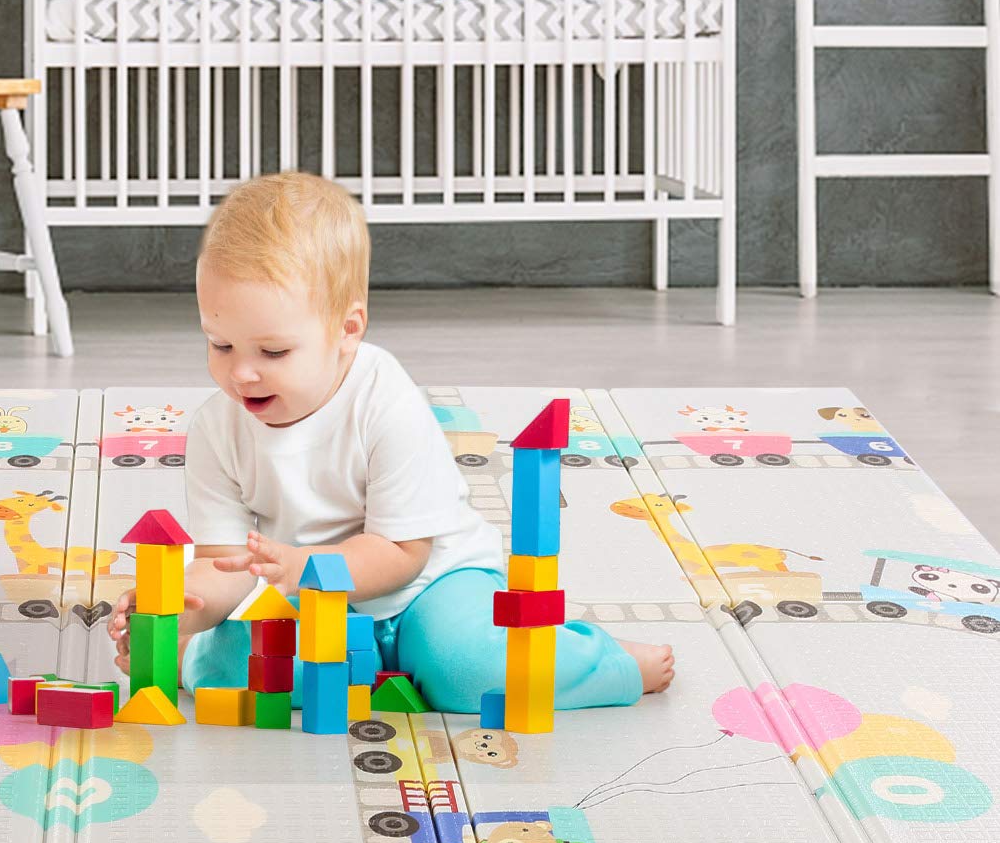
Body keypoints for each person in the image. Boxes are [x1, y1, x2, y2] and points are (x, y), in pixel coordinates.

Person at [108, 170, 674, 713]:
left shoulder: (385, 401)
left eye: (273, 352)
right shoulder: (216, 429)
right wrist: (182, 609)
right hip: (314, 602)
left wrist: (305, 566)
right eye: (220, 345)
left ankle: (604, 661)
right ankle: (242, 657)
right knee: (235, 670)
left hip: (432, 585)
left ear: (347, 331)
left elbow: (403, 555)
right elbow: (224, 564)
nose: (242, 374)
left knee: (469, 670)